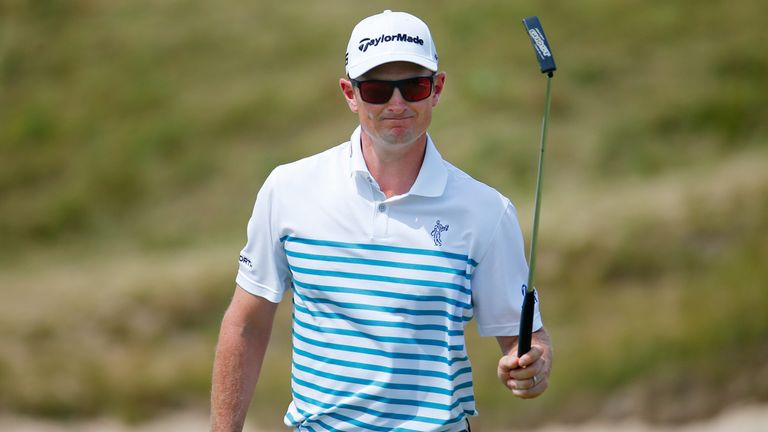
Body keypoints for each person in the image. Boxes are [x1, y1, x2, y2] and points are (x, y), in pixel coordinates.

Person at [211, 9, 553, 432]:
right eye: (376, 89)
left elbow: (525, 343)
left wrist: (531, 368)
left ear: (437, 88)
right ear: (350, 94)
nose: (397, 104)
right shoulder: (288, 190)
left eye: (413, 86)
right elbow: (247, 323)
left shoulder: (486, 212)